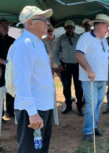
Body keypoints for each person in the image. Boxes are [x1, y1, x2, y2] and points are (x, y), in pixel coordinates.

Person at [9, 6, 54, 153]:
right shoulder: (25, 44)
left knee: (41, 149)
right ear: (30, 23)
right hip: (33, 109)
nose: (47, 23)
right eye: (43, 19)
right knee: (30, 150)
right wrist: (32, 113)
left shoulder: (38, 42)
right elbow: (22, 81)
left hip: (44, 105)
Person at [75, 14, 109, 142]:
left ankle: (94, 126)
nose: (108, 29)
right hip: (89, 78)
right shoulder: (86, 37)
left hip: (102, 78)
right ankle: (88, 131)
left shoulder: (104, 40)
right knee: (91, 105)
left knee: (98, 105)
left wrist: (105, 76)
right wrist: (89, 70)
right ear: (99, 25)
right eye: (107, 26)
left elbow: (104, 58)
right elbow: (78, 54)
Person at [53, 20, 84, 116]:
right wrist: (59, 64)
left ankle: (79, 107)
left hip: (77, 66)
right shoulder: (61, 38)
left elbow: (84, 51)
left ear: (74, 28)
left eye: (71, 27)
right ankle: (68, 106)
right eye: (68, 27)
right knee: (66, 88)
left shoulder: (79, 38)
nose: (70, 29)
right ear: (65, 28)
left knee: (78, 88)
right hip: (65, 66)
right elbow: (55, 52)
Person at [0, 17, 15, 120]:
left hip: (10, 68)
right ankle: (0, 116)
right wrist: (6, 63)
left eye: (7, 26)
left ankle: (10, 111)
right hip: (1, 68)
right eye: (3, 26)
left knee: (10, 88)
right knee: (0, 90)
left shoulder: (12, 40)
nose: (5, 28)